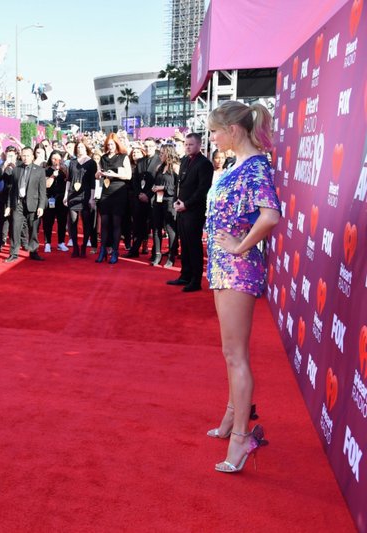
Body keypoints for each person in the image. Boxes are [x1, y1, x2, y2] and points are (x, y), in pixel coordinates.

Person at [204, 100, 279, 473]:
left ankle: (241, 439)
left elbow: (270, 216)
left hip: (238, 269)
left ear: (233, 130)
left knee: (236, 355)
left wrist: (239, 246)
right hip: (223, 267)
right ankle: (232, 419)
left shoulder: (255, 167)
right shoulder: (238, 165)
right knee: (229, 352)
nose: (212, 137)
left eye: (215, 131)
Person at [166, 133, 213, 292]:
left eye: (191, 144)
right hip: (181, 208)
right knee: (184, 244)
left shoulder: (205, 163)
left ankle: (195, 280)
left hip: (194, 210)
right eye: (186, 144)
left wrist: (186, 204)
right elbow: (180, 184)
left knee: (193, 245)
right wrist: (176, 201)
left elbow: (202, 190)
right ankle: (185, 275)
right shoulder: (185, 160)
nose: (187, 147)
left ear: (199, 145)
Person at [4, 146, 46, 263]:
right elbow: (11, 189)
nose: (26, 158)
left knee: (33, 229)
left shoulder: (40, 170)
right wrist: (8, 205)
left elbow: (42, 191)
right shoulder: (16, 169)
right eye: (24, 155)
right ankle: (13, 253)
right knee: (15, 228)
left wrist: (41, 206)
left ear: (33, 157)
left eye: (28, 155)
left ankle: (34, 251)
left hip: (33, 203)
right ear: (20, 156)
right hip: (18, 204)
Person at [96, 133, 132, 264]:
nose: (110, 146)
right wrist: (99, 173)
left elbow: (128, 176)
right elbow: (97, 173)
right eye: (108, 144)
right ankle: (103, 250)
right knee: (104, 223)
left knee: (116, 223)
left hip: (119, 191)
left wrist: (114, 174)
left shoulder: (123, 157)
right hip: (105, 191)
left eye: (112, 144)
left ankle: (115, 251)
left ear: (116, 144)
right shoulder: (103, 158)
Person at [127, 138, 160, 258]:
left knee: (154, 227)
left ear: (155, 147)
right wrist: (139, 194)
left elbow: (158, 180)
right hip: (140, 199)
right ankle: (134, 250)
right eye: (146, 146)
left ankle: (155, 253)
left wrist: (148, 195)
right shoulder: (140, 161)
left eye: (150, 146)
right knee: (138, 226)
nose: (148, 148)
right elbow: (135, 180)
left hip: (153, 199)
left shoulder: (160, 160)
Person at [150, 144, 180, 268]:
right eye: (160, 153)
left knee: (170, 229)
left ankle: (171, 256)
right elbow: (155, 182)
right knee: (156, 228)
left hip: (170, 201)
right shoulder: (159, 167)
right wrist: (154, 188)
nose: (160, 155)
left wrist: (163, 187)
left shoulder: (175, 167)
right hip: (158, 199)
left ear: (168, 153)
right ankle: (157, 254)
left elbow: (177, 187)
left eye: (162, 153)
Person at [64, 143, 96, 258]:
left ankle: (83, 246)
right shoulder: (72, 162)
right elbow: (68, 179)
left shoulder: (91, 162)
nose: (79, 149)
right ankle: (76, 247)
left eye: (82, 147)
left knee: (86, 222)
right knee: (73, 222)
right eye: (78, 147)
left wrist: (92, 197)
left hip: (86, 194)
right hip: (73, 194)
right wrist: (65, 195)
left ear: (86, 148)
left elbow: (93, 181)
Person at [42, 151, 68, 253]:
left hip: (62, 199)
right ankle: (47, 243)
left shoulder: (64, 170)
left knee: (62, 221)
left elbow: (68, 181)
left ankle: (61, 242)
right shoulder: (46, 170)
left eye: (58, 159)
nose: (56, 161)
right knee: (48, 222)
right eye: (53, 158)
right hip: (50, 198)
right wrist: (53, 175)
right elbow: (47, 185)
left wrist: (64, 171)